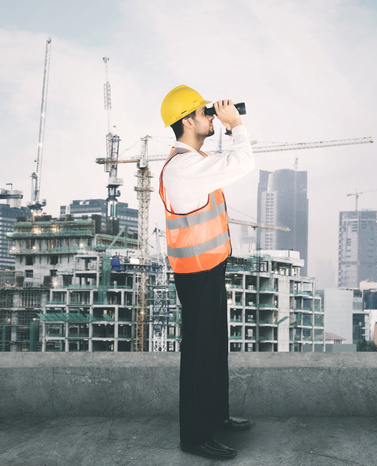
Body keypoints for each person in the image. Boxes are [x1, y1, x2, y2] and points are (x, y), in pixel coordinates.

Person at [159, 84, 255, 460]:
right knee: (199, 354)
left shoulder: (193, 164)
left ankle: (215, 416)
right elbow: (242, 162)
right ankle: (195, 437)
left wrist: (226, 126)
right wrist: (236, 127)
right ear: (187, 121)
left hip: (210, 268)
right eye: (204, 112)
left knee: (214, 349)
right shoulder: (184, 168)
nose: (210, 116)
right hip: (196, 273)